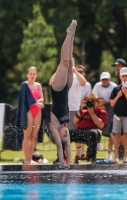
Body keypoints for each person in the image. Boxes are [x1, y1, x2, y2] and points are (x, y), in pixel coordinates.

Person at [49, 20, 77, 168]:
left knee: (65, 61)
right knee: (71, 63)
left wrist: (62, 163)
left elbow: (61, 147)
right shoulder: (66, 125)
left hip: (58, 89)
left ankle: (68, 33)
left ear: (59, 135)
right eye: (68, 136)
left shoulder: (55, 125)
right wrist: (69, 164)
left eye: (63, 136)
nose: (66, 135)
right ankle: (72, 34)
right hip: (66, 88)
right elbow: (68, 146)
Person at [16, 66, 44, 164]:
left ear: (36, 75)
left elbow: (42, 98)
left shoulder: (38, 85)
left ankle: (30, 159)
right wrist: (37, 103)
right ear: (27, 75)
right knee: (27, 135)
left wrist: (37, 102)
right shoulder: (24, 85)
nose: (32, 76)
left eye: (34, 74)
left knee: (33, 136)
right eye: (30, 74)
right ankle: (26, 159)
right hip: (28, 111)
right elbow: (26, 100)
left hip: (37, 111)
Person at [70, 93, 108, 163]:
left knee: (92, 133)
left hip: (93, 132)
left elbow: (101, 125)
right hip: (80, 132)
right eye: (90, 101)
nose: (92, 103)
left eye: (94, 101)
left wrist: (92, 113)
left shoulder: (102, 112)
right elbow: (75, 121)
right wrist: (80, 109)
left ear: (98, 103)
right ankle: (62, 156)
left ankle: (91, 156)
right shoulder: (84, 111)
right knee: (66, 133)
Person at [110, 67, 127, 163]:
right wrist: (118, 95)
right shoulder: (116, 89)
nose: (124, 78)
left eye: (126, 76)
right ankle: (115, 155)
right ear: (120, 77)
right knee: (117, 134)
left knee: (126, 134)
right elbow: (112, 103)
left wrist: (126, 93)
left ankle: (125, 156)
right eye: (122, 76)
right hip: (117, 115)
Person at [92, 71, 117, 160]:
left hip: (111, 108)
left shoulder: (113, 86)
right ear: (100, 80)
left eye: (106, 79)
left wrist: (106, 103)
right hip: (100, 107)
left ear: (109, 79)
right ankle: (97, 142)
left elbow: (114, 99)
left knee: (111, 131)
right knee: (97, 126)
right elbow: (94, 97)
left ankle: (110, 153)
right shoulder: (97, 86)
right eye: (103, 79)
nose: (105, 81)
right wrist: (101, 105)